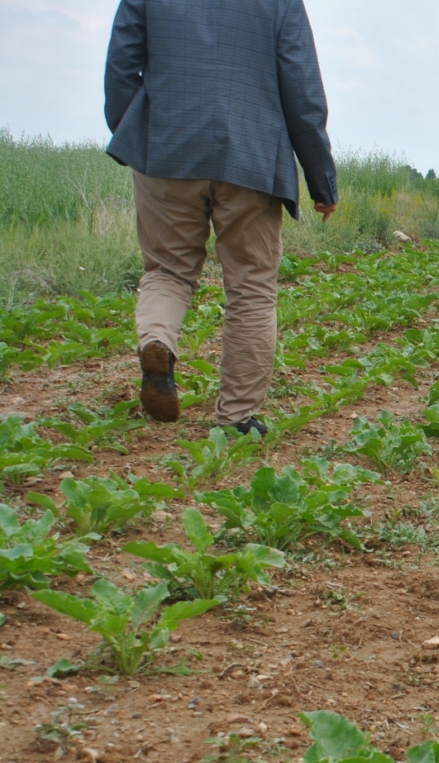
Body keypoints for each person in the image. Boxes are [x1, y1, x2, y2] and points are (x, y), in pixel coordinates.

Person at [104, 0, 338, 436]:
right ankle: (237, 419)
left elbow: (121, 68)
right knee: (251, 286)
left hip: (166, 146)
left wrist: (136, 133)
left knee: (168, 269)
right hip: (252, 154)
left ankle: (157, 339)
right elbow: (303, 95)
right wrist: (321, 181)